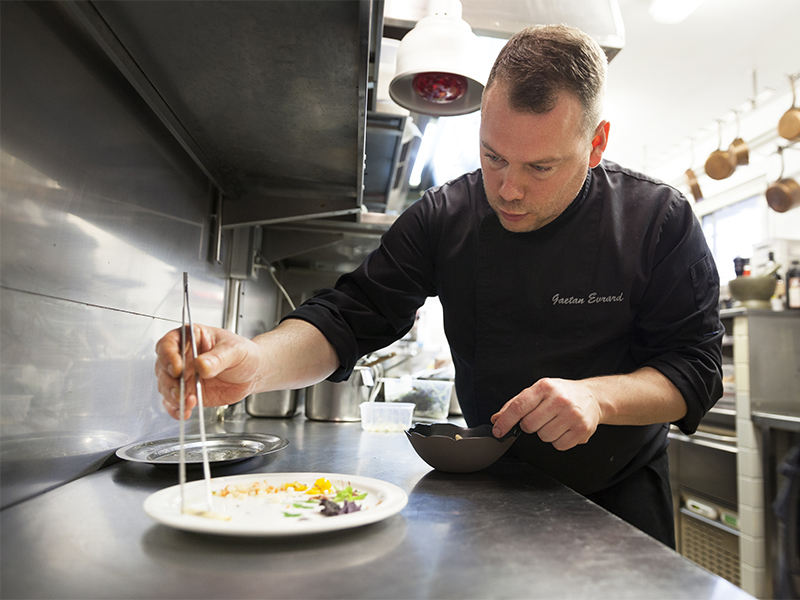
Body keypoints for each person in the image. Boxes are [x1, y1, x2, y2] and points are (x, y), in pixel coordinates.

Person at [155, 24, 723, 548]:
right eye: (492, 156)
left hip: (619, 497)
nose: (508, 190)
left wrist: (597, 397)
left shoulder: (657, 219)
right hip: (486, 491)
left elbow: (695, 369)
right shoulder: (445, 216)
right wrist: (255, 361)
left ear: (596, 145)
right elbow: (351, 314)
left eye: (540, 168)